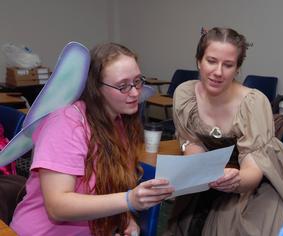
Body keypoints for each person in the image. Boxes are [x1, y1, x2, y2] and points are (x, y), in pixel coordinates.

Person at [10, 43, 174, 236]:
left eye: (138, 81)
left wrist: (126, 218)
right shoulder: (66, 124)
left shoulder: (119, 122)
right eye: (123, 86)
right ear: (96, 88)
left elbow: (109, 185)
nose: (135, 93)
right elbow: (58, 206)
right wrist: (129, 200)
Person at [163, 27, 283, 236]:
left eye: (228, 65)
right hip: (211, 177)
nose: (218, 72)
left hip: (252, 181)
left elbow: (253, 171)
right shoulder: (185, 94)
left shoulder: (253, 103)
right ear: (199, 61)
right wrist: (198, 171)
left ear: (237, 69)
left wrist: (235, 181)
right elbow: (192, 142)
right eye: (211, 61)